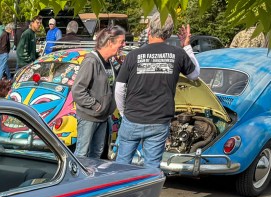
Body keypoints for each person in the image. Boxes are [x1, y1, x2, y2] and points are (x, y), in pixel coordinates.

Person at [115, 13, 200, 170]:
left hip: (132, 118)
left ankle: (120, 186)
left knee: (121, 166)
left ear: (149, 30)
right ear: (168, 33)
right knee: (151, 169)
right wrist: (186, 46)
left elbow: (119, 88)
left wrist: (122, 112)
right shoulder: (178, 53)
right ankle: (148, 186)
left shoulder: (133, 55)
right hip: (159, 121)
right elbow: (194, 74)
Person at [71, 26, 125, 158]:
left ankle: (91, 173)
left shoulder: (110, 62)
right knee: (82, 154)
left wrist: (122, 65)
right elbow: (78, 90)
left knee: (96, 154)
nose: (124, 45)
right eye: (121, 41)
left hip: (103, 117)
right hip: (89, 117)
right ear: (110, 42)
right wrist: (96, 106)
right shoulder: (91, 61)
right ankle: (75, 173)